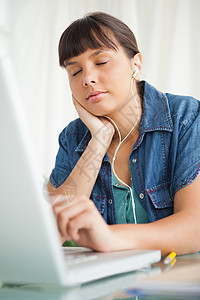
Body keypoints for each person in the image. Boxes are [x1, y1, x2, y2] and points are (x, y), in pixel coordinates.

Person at [47, 12, 200, 256]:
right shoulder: (73, 138)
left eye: (101, 62)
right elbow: (50, 232)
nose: (88, 79)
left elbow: (195, 227)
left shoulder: (186, 117)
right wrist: (98, 140)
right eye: (75, 72)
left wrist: (109, 237)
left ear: (135, 65)